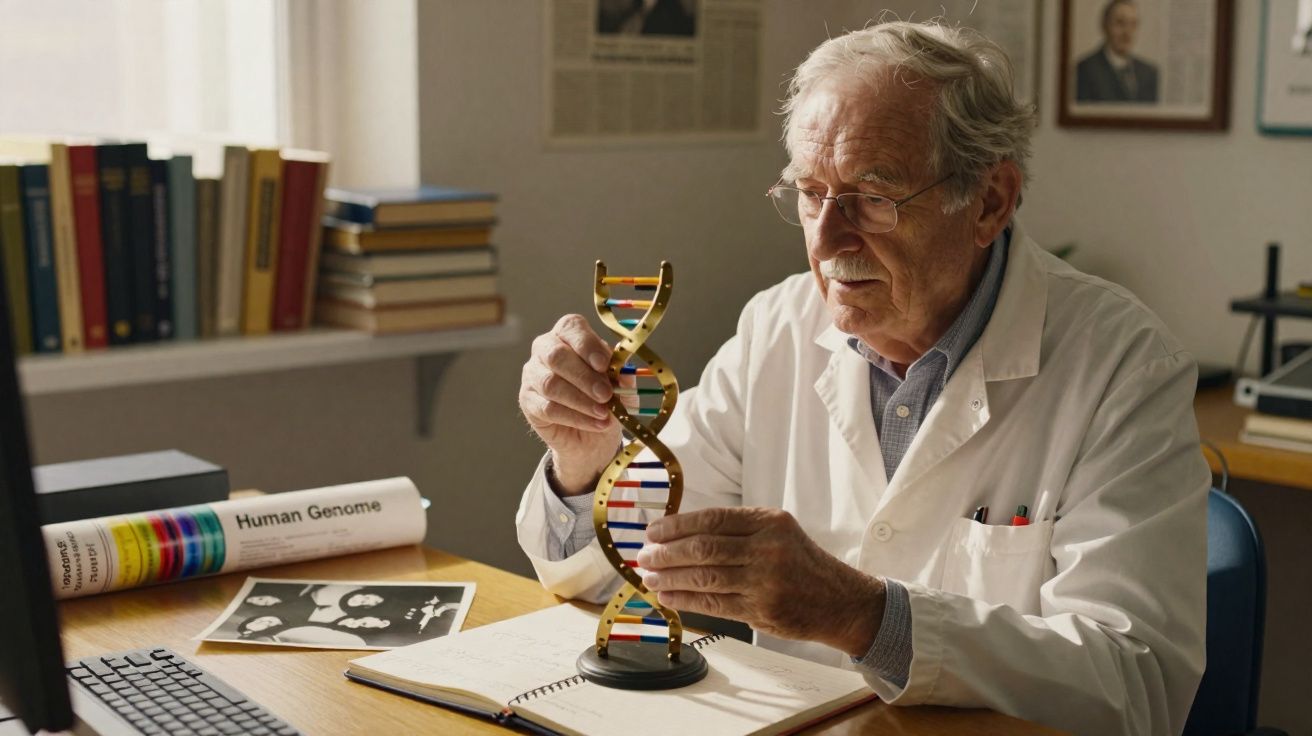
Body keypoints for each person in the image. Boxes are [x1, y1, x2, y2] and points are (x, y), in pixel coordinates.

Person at [515, 19, 1207, 736]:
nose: (825, 239)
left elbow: (1137, 686)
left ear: (991, 202)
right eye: (811, 194)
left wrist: (864, 617)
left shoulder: (1123, 367)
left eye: (875, 197)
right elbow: (620, 571)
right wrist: (586, 454)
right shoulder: (776, 329)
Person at [1075, 0, 1160, 103]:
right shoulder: (1085, 70)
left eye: (1133, 24)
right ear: (1104, 26)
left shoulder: (1149, 73)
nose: (1127, 32)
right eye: (1120, 23)